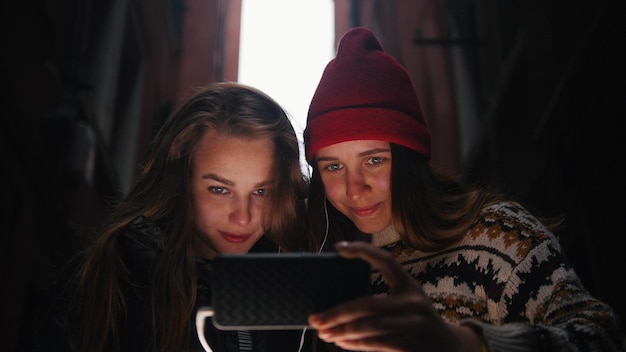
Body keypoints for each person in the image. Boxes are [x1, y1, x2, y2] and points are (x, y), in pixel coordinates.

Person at [302, 27, 625, 352]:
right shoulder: (330, 274)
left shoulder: (496, 235)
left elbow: (601, 337)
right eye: (333, 167)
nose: (354, 189)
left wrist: (462, 343)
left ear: (408, 159)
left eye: (373, 161)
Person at [29, 82, 310, 352]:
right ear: (179, 180)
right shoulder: (111, 282)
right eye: (220, 189)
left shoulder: (288, 294)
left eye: (261, 191)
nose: (242, 217)